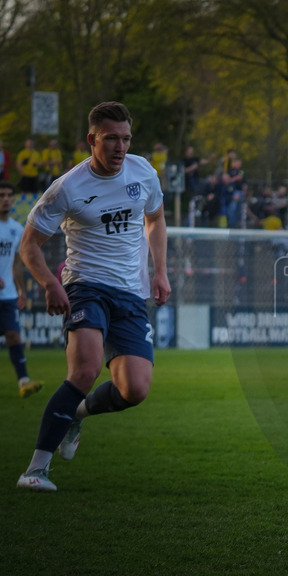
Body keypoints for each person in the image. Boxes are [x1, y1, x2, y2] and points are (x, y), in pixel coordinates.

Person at [15, 101, 170, 492]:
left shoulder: (143, 172)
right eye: (111, 139)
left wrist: (161, 271)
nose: (120, 147)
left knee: (135, 390)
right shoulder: (67, 188)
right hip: (85, 286)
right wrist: (51, 283)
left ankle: (77, 415)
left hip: (131, 294)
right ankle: (36, 469)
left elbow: (155, 218)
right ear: (92, 140)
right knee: (84, 371)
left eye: (126, 138)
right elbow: (29, 245)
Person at [0, 180, 41, 398]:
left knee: (14, 335)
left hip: (7, 296)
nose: (5, 199)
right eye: (1, 195)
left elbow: (16, 263)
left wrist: (20, 289)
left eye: (8, 195)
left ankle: (24, 381)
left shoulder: (16, 229)